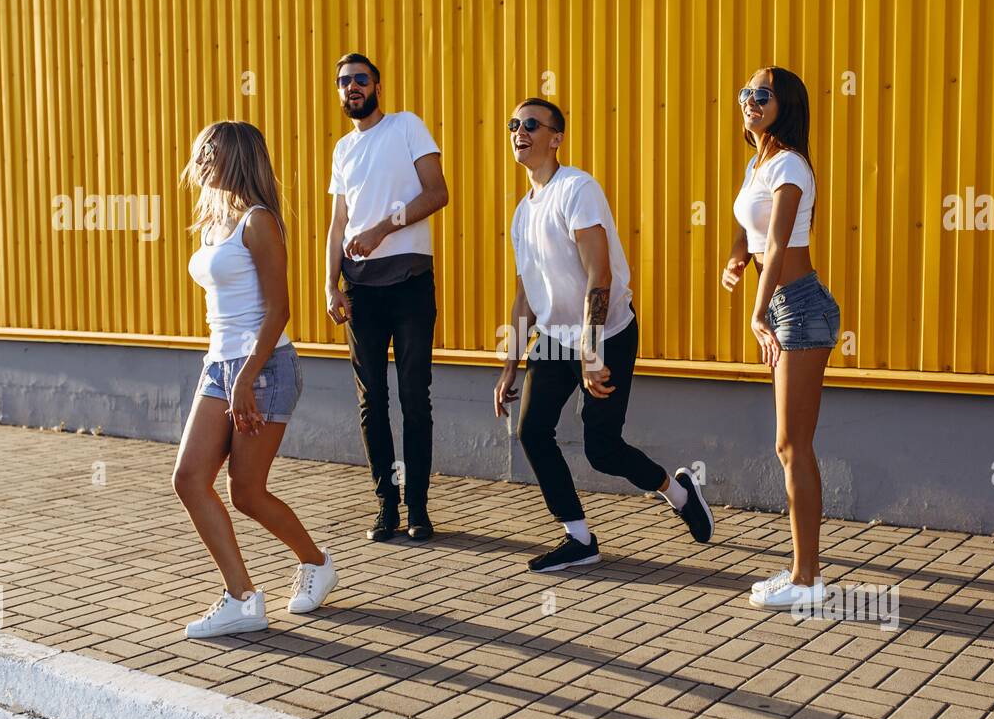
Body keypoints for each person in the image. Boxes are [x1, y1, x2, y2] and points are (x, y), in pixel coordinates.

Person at [494, 98, 715, 573]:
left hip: (607, 331)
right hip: (554, 339)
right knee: (532, 430)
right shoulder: (521, 214)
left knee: (602, 449)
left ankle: (678, 492)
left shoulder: (577, 189)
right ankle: (578, 537)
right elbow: (525, 296)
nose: (519, 131)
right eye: (514, 124)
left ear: (556, 137)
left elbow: (600, 276)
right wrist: (511, 362)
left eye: (531, 124)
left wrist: (591, 350)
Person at [174, 121, 338, 639]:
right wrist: (227, 371)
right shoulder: (212, 221)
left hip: (263, 369)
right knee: (188, 479)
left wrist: (245, 377)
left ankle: (316, 562)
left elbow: (279, 310)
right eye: (198, 151)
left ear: (235, 157)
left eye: (209, 152)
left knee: (246, 491)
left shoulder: (258, 221)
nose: (198, 161)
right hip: (219, 366)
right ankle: (243, 599)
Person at [721, 67, 840, 610]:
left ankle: (808, 581)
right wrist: (737, 258)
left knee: (794, 446)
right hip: (783, 306)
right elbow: (755, 233)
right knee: (787, 445)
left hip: (799, 309)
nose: (750, 99)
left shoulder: (790, 163)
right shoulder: (759, 163)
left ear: (784, 104)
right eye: (746, 92)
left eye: (762, 93)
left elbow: (780, 234)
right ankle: (801, 571)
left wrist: (758, 310)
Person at [324, 53, 449, 543]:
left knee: (414, 396)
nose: (351, 87)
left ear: (377, 84)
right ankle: (386, 505)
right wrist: (328, 283)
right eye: (342, 82)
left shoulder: (406, 127)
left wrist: (381, 228)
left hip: (410, 283)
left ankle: (417, 506)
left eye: (359, 78)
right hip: (360, 288)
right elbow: (337, 223)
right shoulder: (342, 149)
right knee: (371, 400)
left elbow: (438, 192)